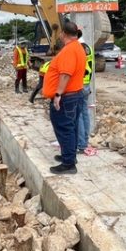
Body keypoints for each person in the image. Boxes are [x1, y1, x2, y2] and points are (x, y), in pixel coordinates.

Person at [42, 21, 86, 174]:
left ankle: (68, 164)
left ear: (63, 34)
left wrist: (58, 94)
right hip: (75, 95)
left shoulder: (69, 50)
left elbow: (65, 74)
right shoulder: (78, 48)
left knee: (64, 128)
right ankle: (69, 157)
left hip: (67, 97)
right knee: (71, 128)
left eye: (60, 33)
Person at [76, 30, 96, 155]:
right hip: (86, 84)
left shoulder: (78, 48)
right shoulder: (88, 47)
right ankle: (85, 141)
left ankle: (81, 144)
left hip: (78, 85)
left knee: (77, 116)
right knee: (84, 113)